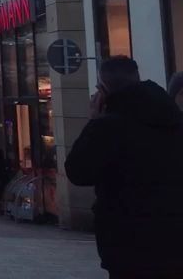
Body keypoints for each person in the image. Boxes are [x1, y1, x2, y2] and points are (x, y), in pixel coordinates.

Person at [66, 56, 183, 279]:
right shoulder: (174, 120)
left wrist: (93, 121)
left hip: (127, 241)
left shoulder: (107, 127)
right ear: (138, 77)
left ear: (103, 88)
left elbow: (77, 171)